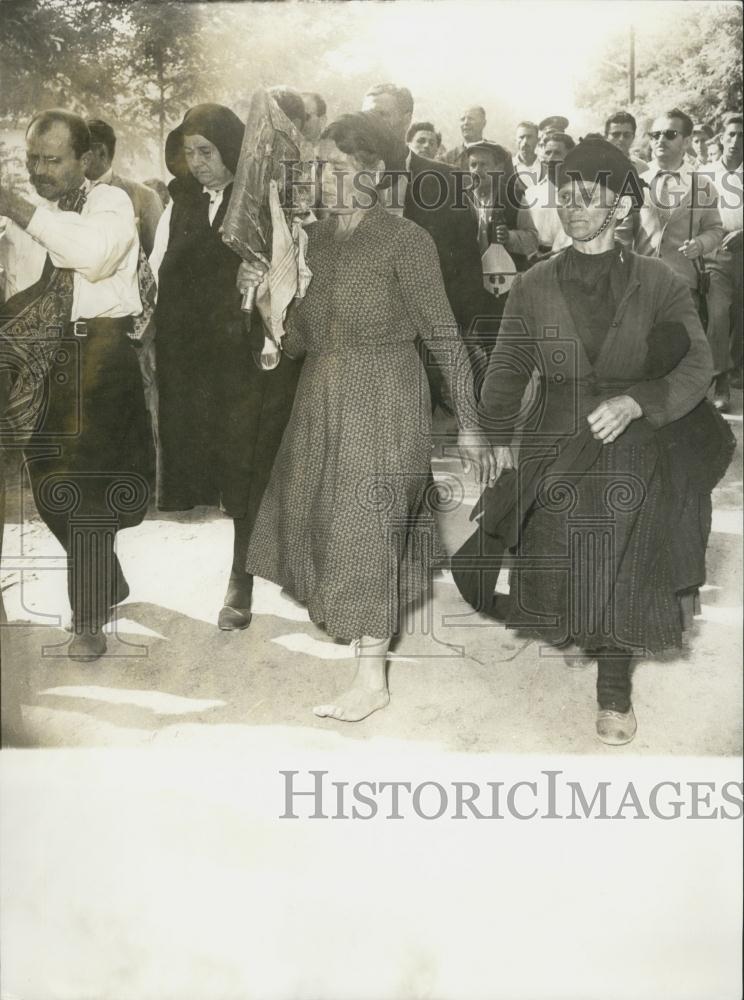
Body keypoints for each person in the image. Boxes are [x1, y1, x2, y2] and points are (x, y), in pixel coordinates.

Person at [239, 113, 494, 722]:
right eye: (318, 167)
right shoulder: (315, 241)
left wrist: (470, 422)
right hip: (321, 398)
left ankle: (371, 679)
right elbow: (300, 340)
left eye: (337, 169)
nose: (322, 179)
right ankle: (365, 644)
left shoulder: (405, 241)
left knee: (365, 527)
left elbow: (442, 335)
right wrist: (268, 302)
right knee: (327, 521)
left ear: (375, 174)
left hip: (383, 397)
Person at [473, 137, 720, 746]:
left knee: (625, 563)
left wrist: (639, 401)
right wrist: (493, 430)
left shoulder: (658, 279)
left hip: (635, 436)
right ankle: (576, 630)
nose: (576, 206)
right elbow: (507, 364)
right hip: (556, 435)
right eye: (567, 194)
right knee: (561, 556)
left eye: (592, 195)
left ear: (622, 207)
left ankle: (615, 691)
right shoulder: (534, 283)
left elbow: (696, 364)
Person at [0, 109, 151, 660]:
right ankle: (105, 578)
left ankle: (87, 616)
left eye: (52, 159)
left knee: (85, 486)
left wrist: (15, 208)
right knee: (48, 489)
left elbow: (90, 257)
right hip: (42, 359)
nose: (39, 171)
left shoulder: (109, 202)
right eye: (31, 160)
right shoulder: (35, 211)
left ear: (85, 160)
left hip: (99, 353)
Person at [149, 104, 301, 630]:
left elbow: (289, 272)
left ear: (231, 149)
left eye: (206, 152)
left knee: (247, 464)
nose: (197, 164)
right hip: (195, 359)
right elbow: (159, 267)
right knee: (211, 460)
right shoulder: (182, 201)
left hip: (248, 357)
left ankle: (242, 578)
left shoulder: (261, 201)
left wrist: (255, 282)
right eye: (189, 153)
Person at [360, 84, 483, 374]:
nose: (371, 123)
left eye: (381, 114)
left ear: (407, 119)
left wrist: (463, 333)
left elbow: (465, 263)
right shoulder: (341, 177)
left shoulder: (445, 179)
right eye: (366, 115)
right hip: (359, 335)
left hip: (425, 339)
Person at [627, 108, 728, 408]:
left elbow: (715, 229)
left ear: (686, 142)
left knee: (682, 356)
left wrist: (700, 243)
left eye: (670, 134)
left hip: (683, 286)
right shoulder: (637, 183)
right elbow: (622, 232)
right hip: (640, 285)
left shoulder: (702, 186)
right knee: (641, 357)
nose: (660, 140)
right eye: (655, 134)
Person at [465, 140, 538, 360]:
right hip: (471, 283)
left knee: (501, 341)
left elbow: (533, 238)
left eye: (484, 165)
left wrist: (510, 237)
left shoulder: (514, 197)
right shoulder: (461, 197)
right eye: (473, 164)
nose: (478, 170)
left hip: (503, 283)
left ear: (498, 168)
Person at [85, 118, 163, 256]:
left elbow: (157, 257)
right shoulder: (65, 195)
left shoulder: (145, 197)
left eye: (81, 150)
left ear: (102, 152)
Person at [706, 113, 743, 386]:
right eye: (731, 134)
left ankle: (735, 368)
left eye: (742, 136)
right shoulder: (705, 175)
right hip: (715, 251)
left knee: (740, 314)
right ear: (721, 138)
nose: (736, 141)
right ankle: (719, 377)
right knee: (718, 313)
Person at [523, 132, 574, 257]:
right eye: (548, 152)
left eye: (557, 153)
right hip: (533, 260)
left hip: (567, 259)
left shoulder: (579, 195)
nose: (551, 159)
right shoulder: (530, 194)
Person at [442, 105, 488, 170]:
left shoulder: (497, 155)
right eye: (462, 119)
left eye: (471, 119)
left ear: (484, 123)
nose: (465, 123)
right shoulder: (447, 159)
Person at [512, 121, 543, 188]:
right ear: (515, 141)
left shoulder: (546, 166)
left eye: (529, 137)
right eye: (521, 137)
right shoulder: (508, 166)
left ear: (537, 140)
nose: (525, 142)